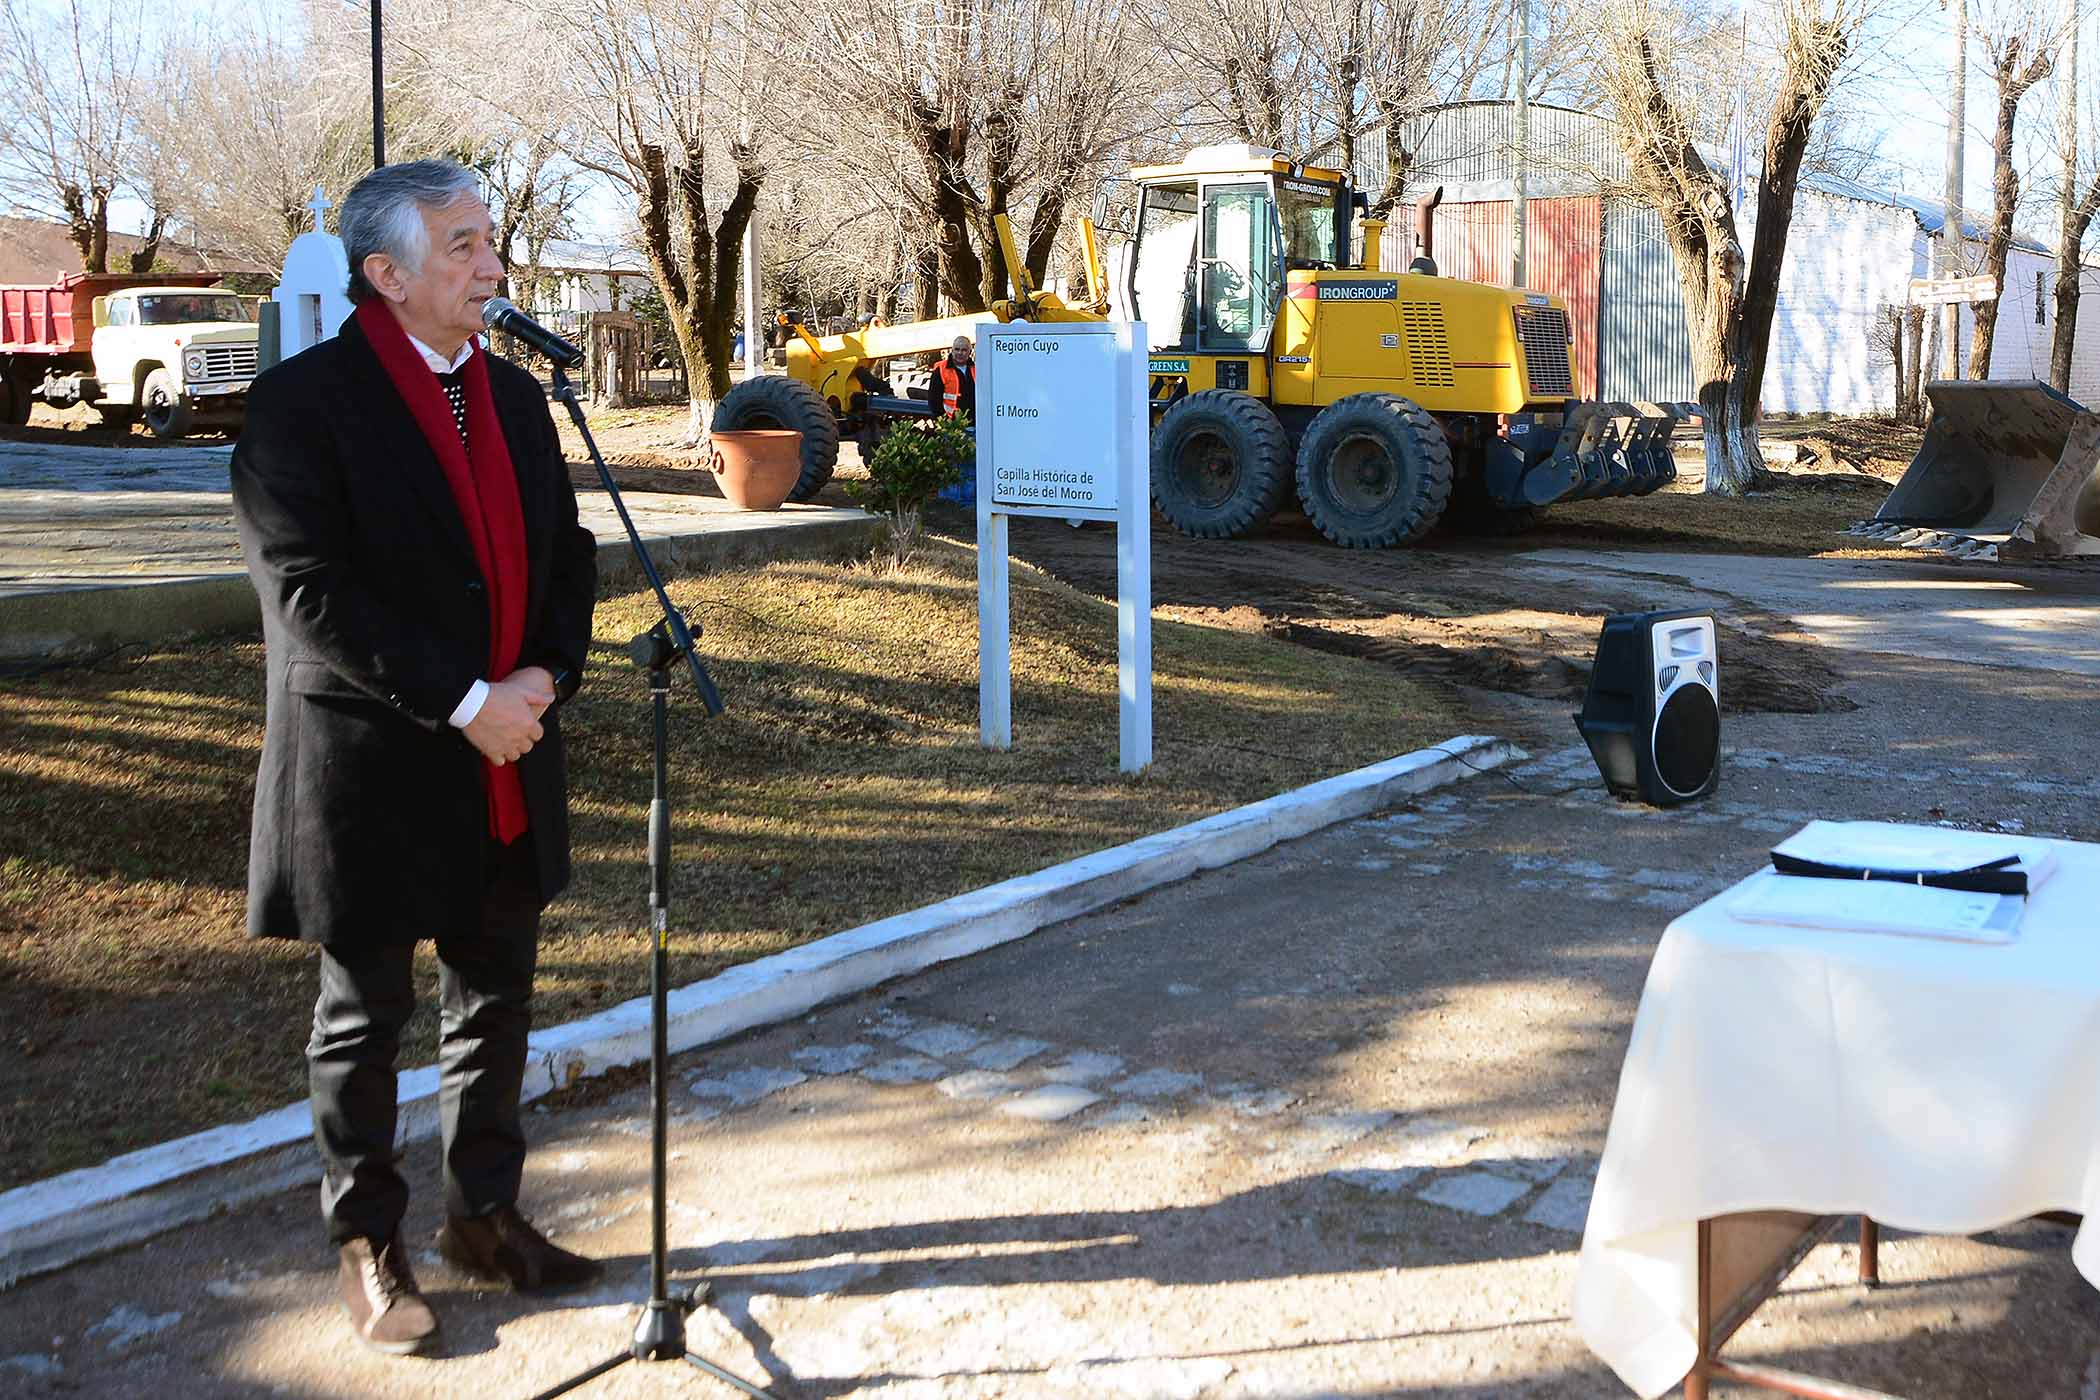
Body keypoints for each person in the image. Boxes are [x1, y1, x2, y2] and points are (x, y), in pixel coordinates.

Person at [229, 159, 601, 1358]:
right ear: (385, 274)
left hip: (507, 748)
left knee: (494, 996)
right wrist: (464, 698)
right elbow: (306, 590)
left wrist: (543, 676)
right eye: (462, 247)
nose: (493, 266)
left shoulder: (518, 398)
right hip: (374, 768)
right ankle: (369, 1245)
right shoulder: (301, 406)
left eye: (491, 240)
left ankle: (484, 1216)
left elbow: (566, 554)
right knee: (364, 1015)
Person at [933, 334, 975, 419]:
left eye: (964, 350)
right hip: (951, 424)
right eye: (957, 349)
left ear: (970, 352)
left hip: (974, 422)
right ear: (952, 351)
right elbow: (934, 401)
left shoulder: (977, 369)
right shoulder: (941, 369)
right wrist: (944, 422)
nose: (960, 353)